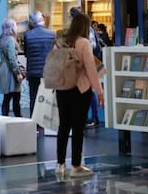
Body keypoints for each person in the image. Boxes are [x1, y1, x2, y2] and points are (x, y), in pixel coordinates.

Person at [52, 10, 105, 179]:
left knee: (63, 126)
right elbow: (91, 69)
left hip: (62, 89)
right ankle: (76, 165)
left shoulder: (60, 42)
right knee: (77, 127)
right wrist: (99, 91)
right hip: (80, 89)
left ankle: (60, 164)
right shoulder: (83, 43)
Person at [23, 12, 56, 118]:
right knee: (47, 98)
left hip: (33, 72)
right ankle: (46, 120)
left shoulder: (27, 35)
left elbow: (26, 54)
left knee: (33, 97)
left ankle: (34, 121)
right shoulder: (51, 34)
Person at [0, 20, 23, 117]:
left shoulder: (2, 39)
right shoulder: (11, 41)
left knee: (6, 98)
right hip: (10, 72)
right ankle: (18, 119)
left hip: (4, 70)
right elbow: (12, 59)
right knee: (16, 97)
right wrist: (18, 73)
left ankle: (4, 118)